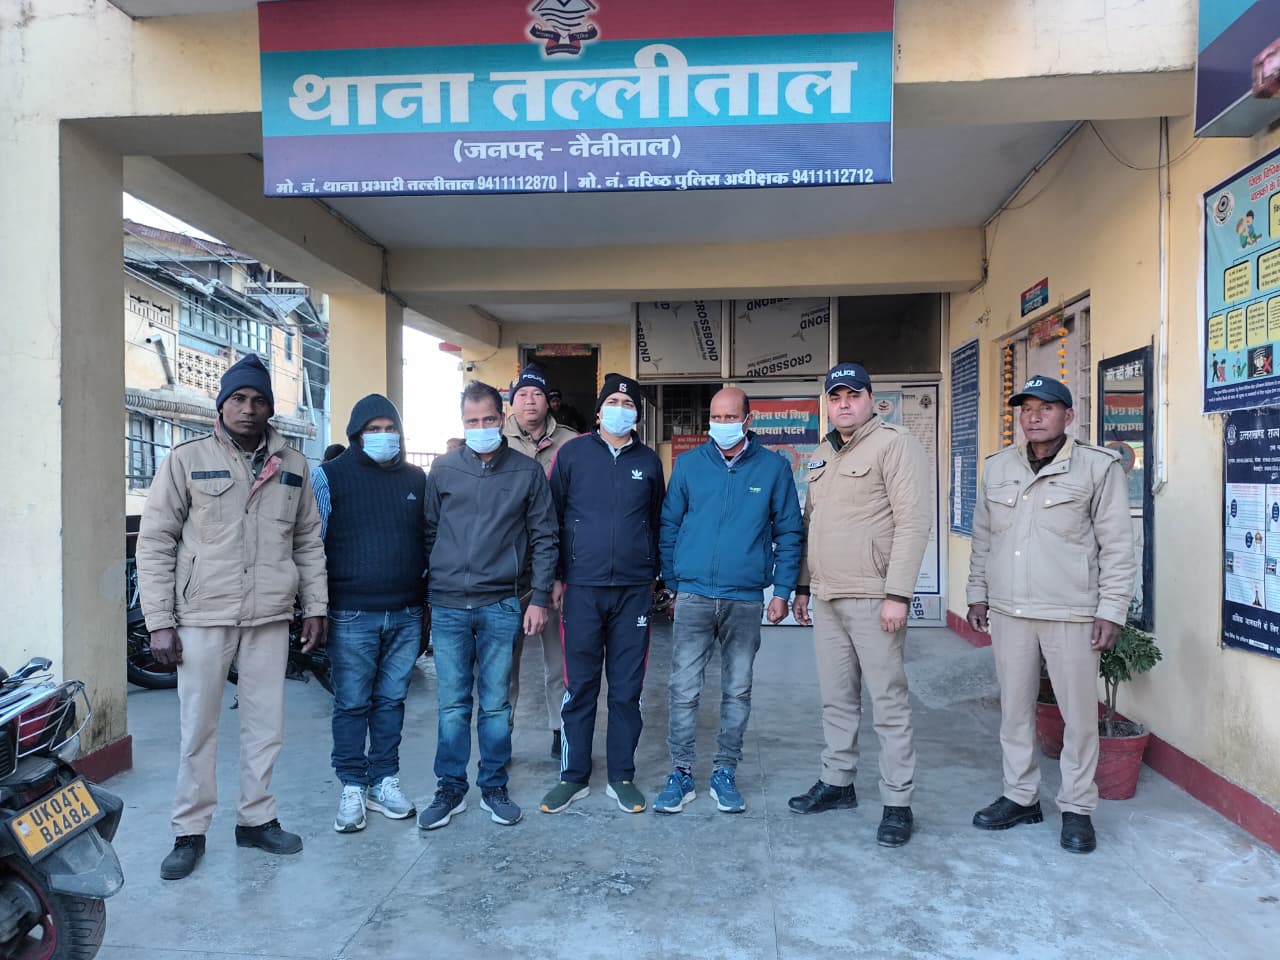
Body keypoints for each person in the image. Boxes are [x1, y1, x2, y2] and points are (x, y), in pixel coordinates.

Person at [136, 353, 328, 880]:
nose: (248, 408)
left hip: (269, 616)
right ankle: (189, 831)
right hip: (203, 614)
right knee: (198, 728)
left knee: (266, 727)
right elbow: (155, 542)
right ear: (222, 405)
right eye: (238, 398)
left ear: (270, 408)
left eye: (258, 399)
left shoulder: (293, 465)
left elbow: (308, 541)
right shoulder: (186, 459)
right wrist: (160, 621)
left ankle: (256, 819)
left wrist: (315, 606)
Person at [966, 375, 1135, 854]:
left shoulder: (1098, 467)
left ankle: (1077, 807)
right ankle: (1020, 796)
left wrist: (1111, 610)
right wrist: (977, 593)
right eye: (1027, 409)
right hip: (1010, 609)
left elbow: (1118, 546)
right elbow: (984, 538)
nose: (1034, 417)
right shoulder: (998, 467)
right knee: (1014, 710)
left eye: (1046, 408)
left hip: (1071, 611)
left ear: (1068, 415)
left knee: (1078, 717)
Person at [789, 363, 932, 848]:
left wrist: (898, 595)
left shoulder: (895, 444)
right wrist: (803, 587)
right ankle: (838, 782)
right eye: (835, 397)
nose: (844, 404)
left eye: (853, 395)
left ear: (871, 399)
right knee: (837, 698)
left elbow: (913, 522)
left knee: (888, 702)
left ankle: (898, 802)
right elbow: (812, 525)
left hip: (874, 598)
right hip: (827, 595)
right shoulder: (822, 453)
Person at [655, 387, 803, 814]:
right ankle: (681, 771)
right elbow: (669, 525)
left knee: (737, 690)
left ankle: (725, 771)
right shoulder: (689, 466)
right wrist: (674, 583)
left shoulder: (773, 468)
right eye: (716, 417)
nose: (722, 424)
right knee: (683, 689)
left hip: (745, 599)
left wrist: (782, 591)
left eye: (730, 417)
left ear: (748, 420)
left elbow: (789, 532)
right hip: (694, 595)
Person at [419, 381, 558, 830]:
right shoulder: (443, 469)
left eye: (487, 419)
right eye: (471, 421)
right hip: (449, 605)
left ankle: (494, 785)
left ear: (502, 419)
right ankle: (450, 788)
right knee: (453, 704)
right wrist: (437, 582)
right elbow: (429, 531)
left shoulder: (526, 472)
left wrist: (538, 598)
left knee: (497, 703)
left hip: (502, 603)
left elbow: (544, 537)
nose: (480, 427)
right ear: (462, 423)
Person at [539, 373, 664, 816]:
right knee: (580, 686)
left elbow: (657, 520)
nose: (620, 410)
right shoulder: (572, 454)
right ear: (598, 411)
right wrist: (556, 577)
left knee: (627, 689)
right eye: (612, 402)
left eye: (628, 405)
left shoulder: (649, 462)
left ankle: (621, 776)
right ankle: (572, 776)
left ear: (637, 415)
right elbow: (551, 519)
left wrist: (654, 574)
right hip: (582, 589)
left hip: (633, 591)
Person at [312, 395, 427, 834]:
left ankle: (384, 780)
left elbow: (426, 538)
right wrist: (315, 607)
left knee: (392, 701)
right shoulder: (329, 477)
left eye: (389, 428)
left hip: (405, 612)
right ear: (356, 434)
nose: (383, 436)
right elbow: (312, 544)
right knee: (352, 703)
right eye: (373, 429)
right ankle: (352, 785)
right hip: (351, 614)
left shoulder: (416, 478)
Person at [502, 364, 578, 757]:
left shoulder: (573, 443)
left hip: (557, 570)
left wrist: (561, 573)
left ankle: (559, 730)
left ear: (549, 402)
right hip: (508, 572)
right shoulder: (496, 442)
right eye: (522, 394)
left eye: (536, 394)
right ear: (511, 402)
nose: (529, 401)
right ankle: (501, 731)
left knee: (559, 661)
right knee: (503, 663)